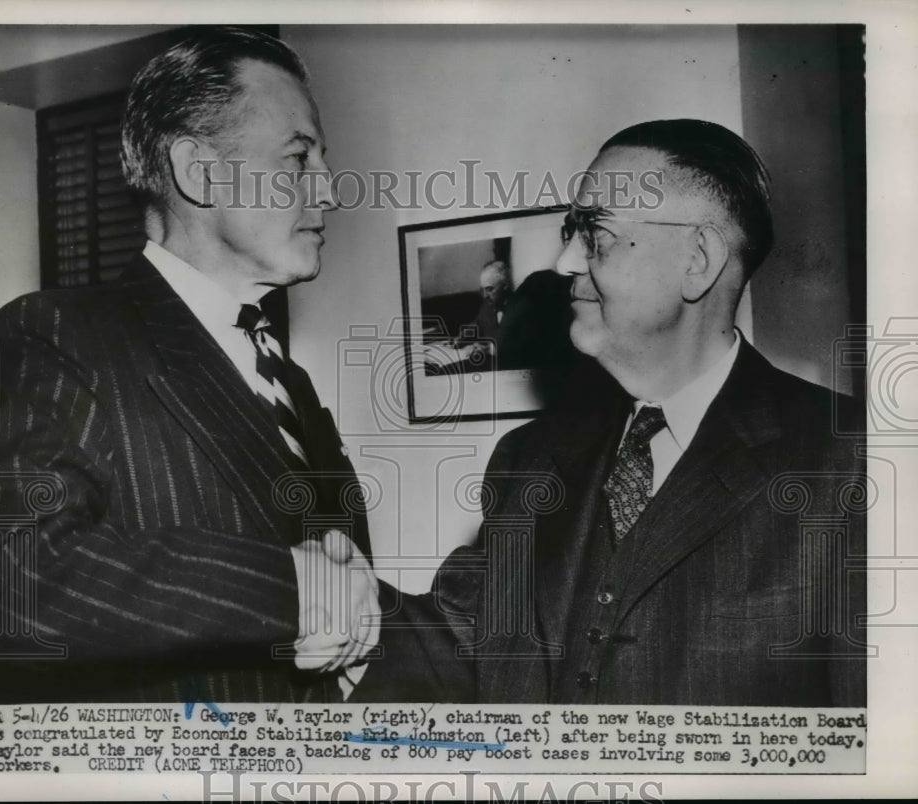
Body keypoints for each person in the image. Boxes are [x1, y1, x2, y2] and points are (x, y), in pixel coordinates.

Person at [0, 27, 378, 770]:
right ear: (198, 172)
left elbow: (341, 596)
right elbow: (8, 576)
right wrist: (287, 588)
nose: (330, 190)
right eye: (298, 159)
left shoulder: (290, 383)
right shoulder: (63, 335)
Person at [356, 119, 867, 706]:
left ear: (698, 259)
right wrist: (331, 601)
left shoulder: (853, 459)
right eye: (570, 232)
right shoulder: (526, 459)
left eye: (594, 233)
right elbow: (457, 645)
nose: (565, 262)